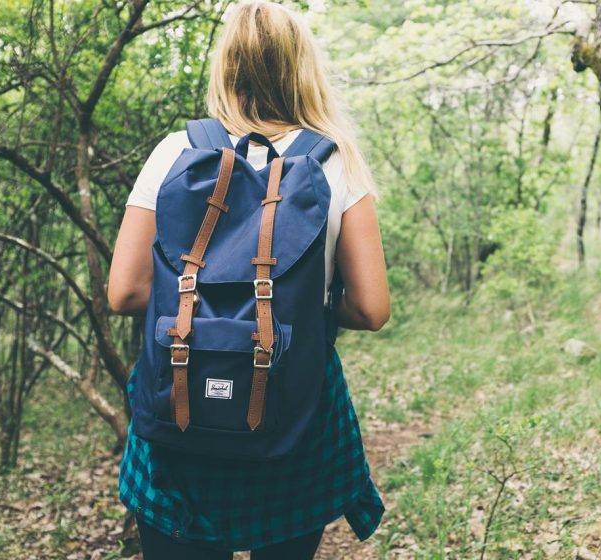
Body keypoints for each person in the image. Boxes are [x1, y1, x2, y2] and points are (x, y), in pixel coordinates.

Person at [107, 2, 390, 558]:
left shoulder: (176, 152)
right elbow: (371, 310)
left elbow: (126, 292)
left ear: (226, 67)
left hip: (180, 407)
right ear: (302, 68)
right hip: (293, 412)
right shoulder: (337, 163)